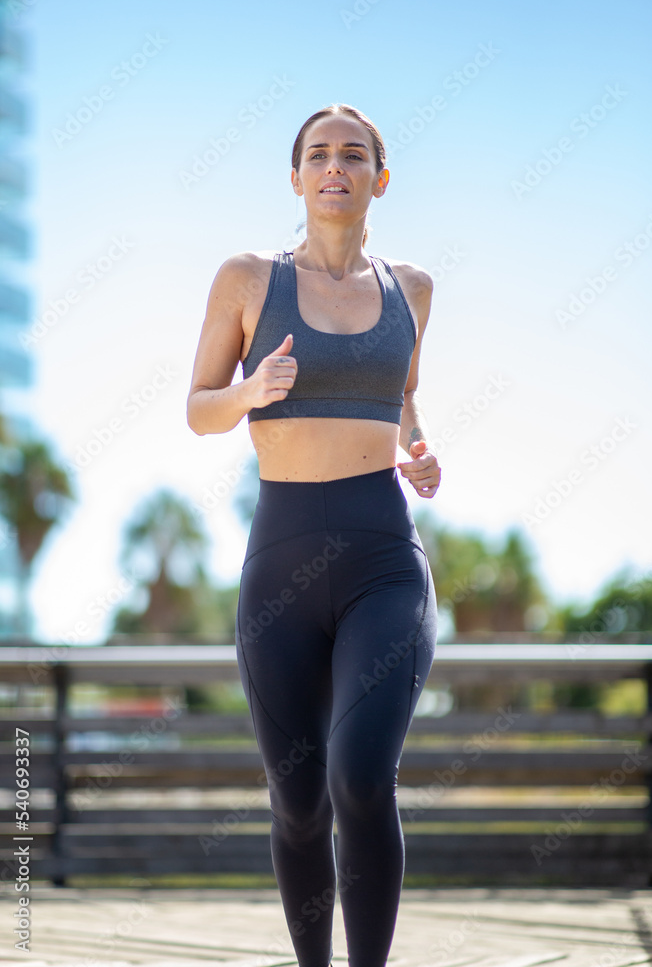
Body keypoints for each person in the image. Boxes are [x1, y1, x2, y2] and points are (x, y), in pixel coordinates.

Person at [187, 103, 441, 967]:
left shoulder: (412, 289)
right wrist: (250, 391)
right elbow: (197, 409)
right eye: (319, 156)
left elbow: (400, 395)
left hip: (383, 558)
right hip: (282, 563)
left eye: (354, 155)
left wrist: (416, 447)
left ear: (380, 176)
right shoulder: (247, 279)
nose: (336, 167)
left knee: (361, 776)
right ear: (296, 178)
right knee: (298, 801)